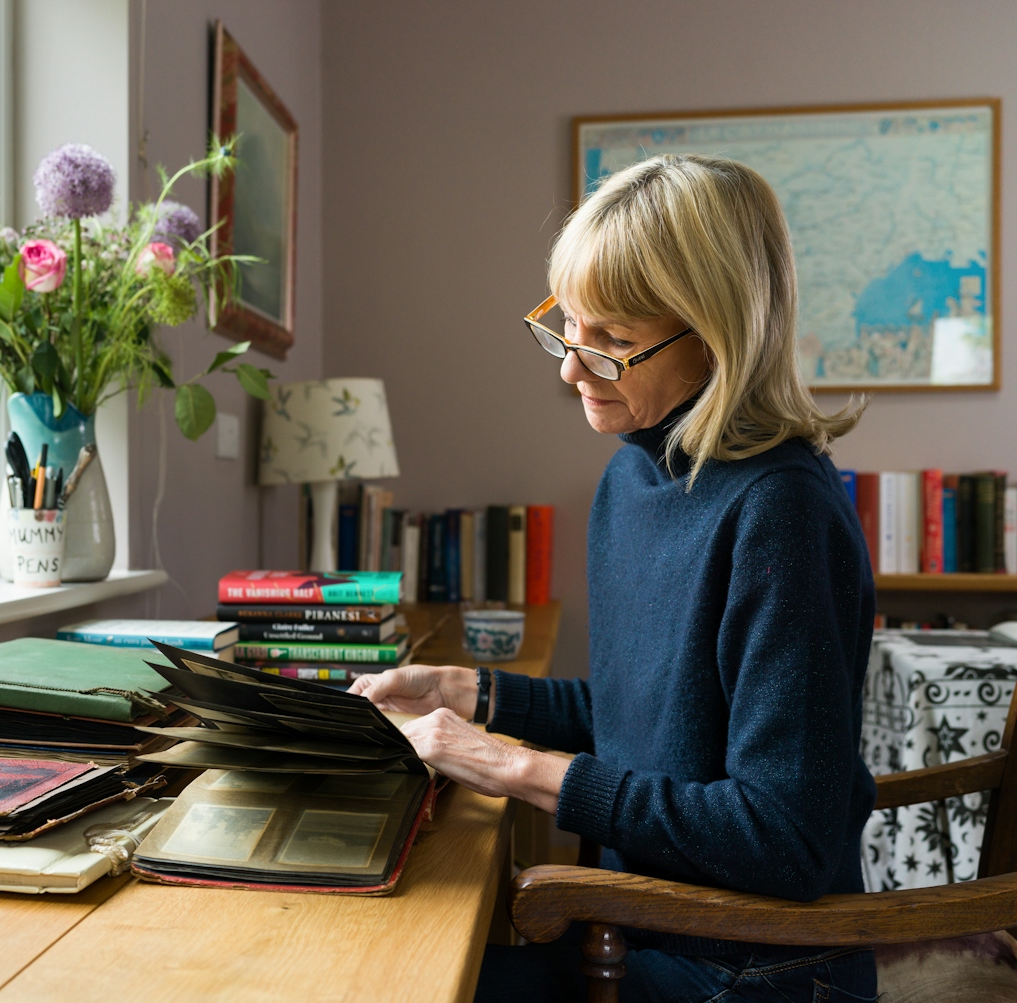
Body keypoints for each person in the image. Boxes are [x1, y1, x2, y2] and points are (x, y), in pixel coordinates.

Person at [349, 154, 879, 1002]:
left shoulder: (782, 513)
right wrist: (471, 691)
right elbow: (662, 723)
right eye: (567, 327)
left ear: (717, 334)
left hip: (759, 962)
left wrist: (516, 769)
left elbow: (783, 837)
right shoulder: (633, 477)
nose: (569, 370)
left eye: (614, 344)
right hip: (647, 925)